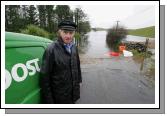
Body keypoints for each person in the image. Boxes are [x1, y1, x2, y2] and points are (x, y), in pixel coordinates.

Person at [40, 20, 82, 104]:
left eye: (71, 33)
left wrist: (79, 81)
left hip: (73, 94)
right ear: (60, 32)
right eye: (65, 32)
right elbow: (45, 79)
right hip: (59, 98)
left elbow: (77, 66)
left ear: (74, 33)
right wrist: (49, 101)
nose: (68, 36)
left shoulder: (74, 47)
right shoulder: (51, 50)